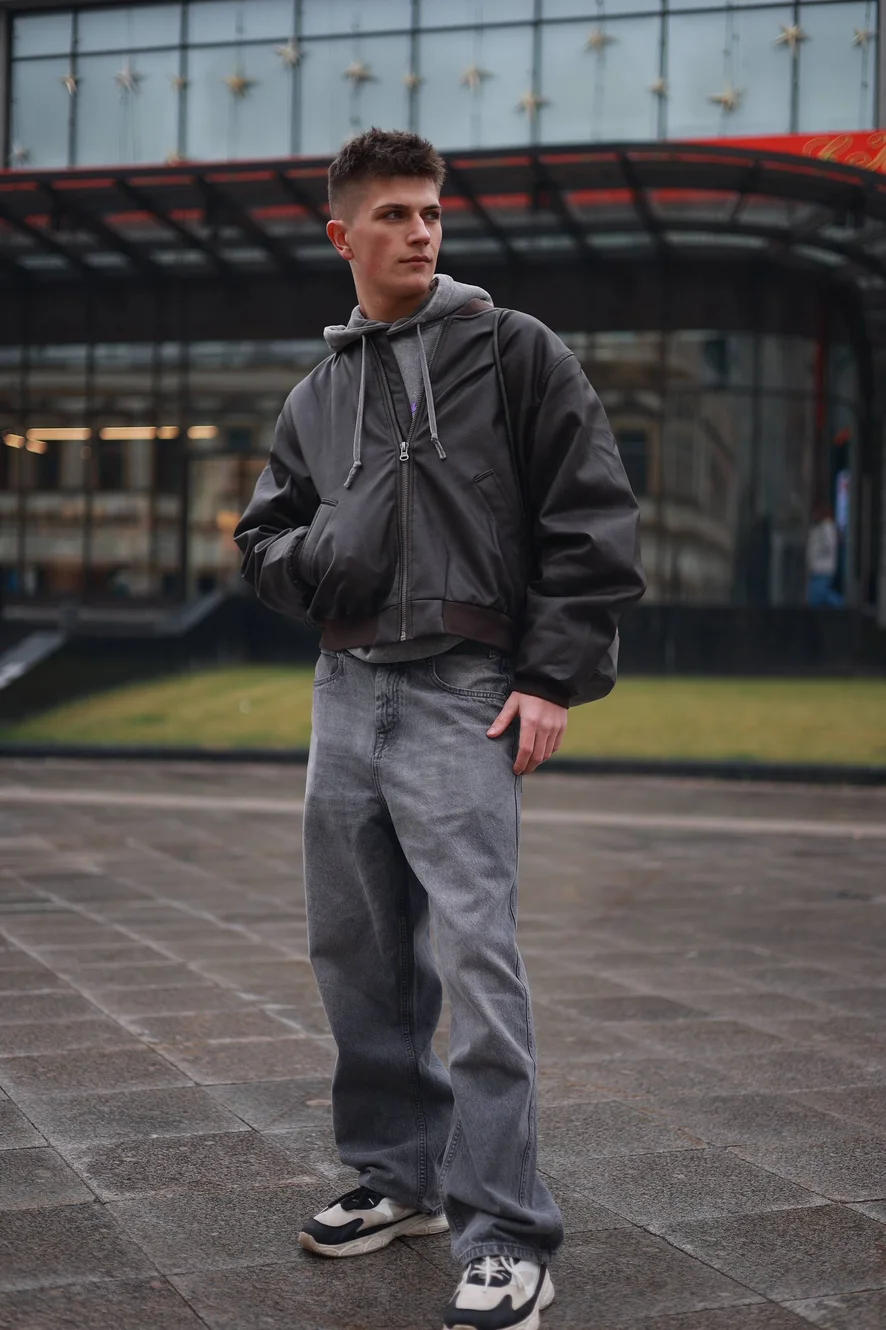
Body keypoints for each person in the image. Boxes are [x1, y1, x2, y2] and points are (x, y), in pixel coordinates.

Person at [235, 128, 645, 1330]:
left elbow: (590, 516)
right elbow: (264, 541)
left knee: (476, 957)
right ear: (342, 235)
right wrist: (329, 549)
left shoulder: (514, 351)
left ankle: (506, 1232)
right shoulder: (317, 395)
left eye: (430, 212)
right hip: (345, 687)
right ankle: (398, 1176)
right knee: (357, 953)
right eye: (394, 214)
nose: (420, 230)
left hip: (467, 686)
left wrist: (551, 676)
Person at [806, 501, 843, 607]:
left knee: (818, 596)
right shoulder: (816, 527)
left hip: (823, 568)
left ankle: (842, 605)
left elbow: (830, 545)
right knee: (818, 595)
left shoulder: (827, 527)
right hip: (816, 568)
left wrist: (818, 548)